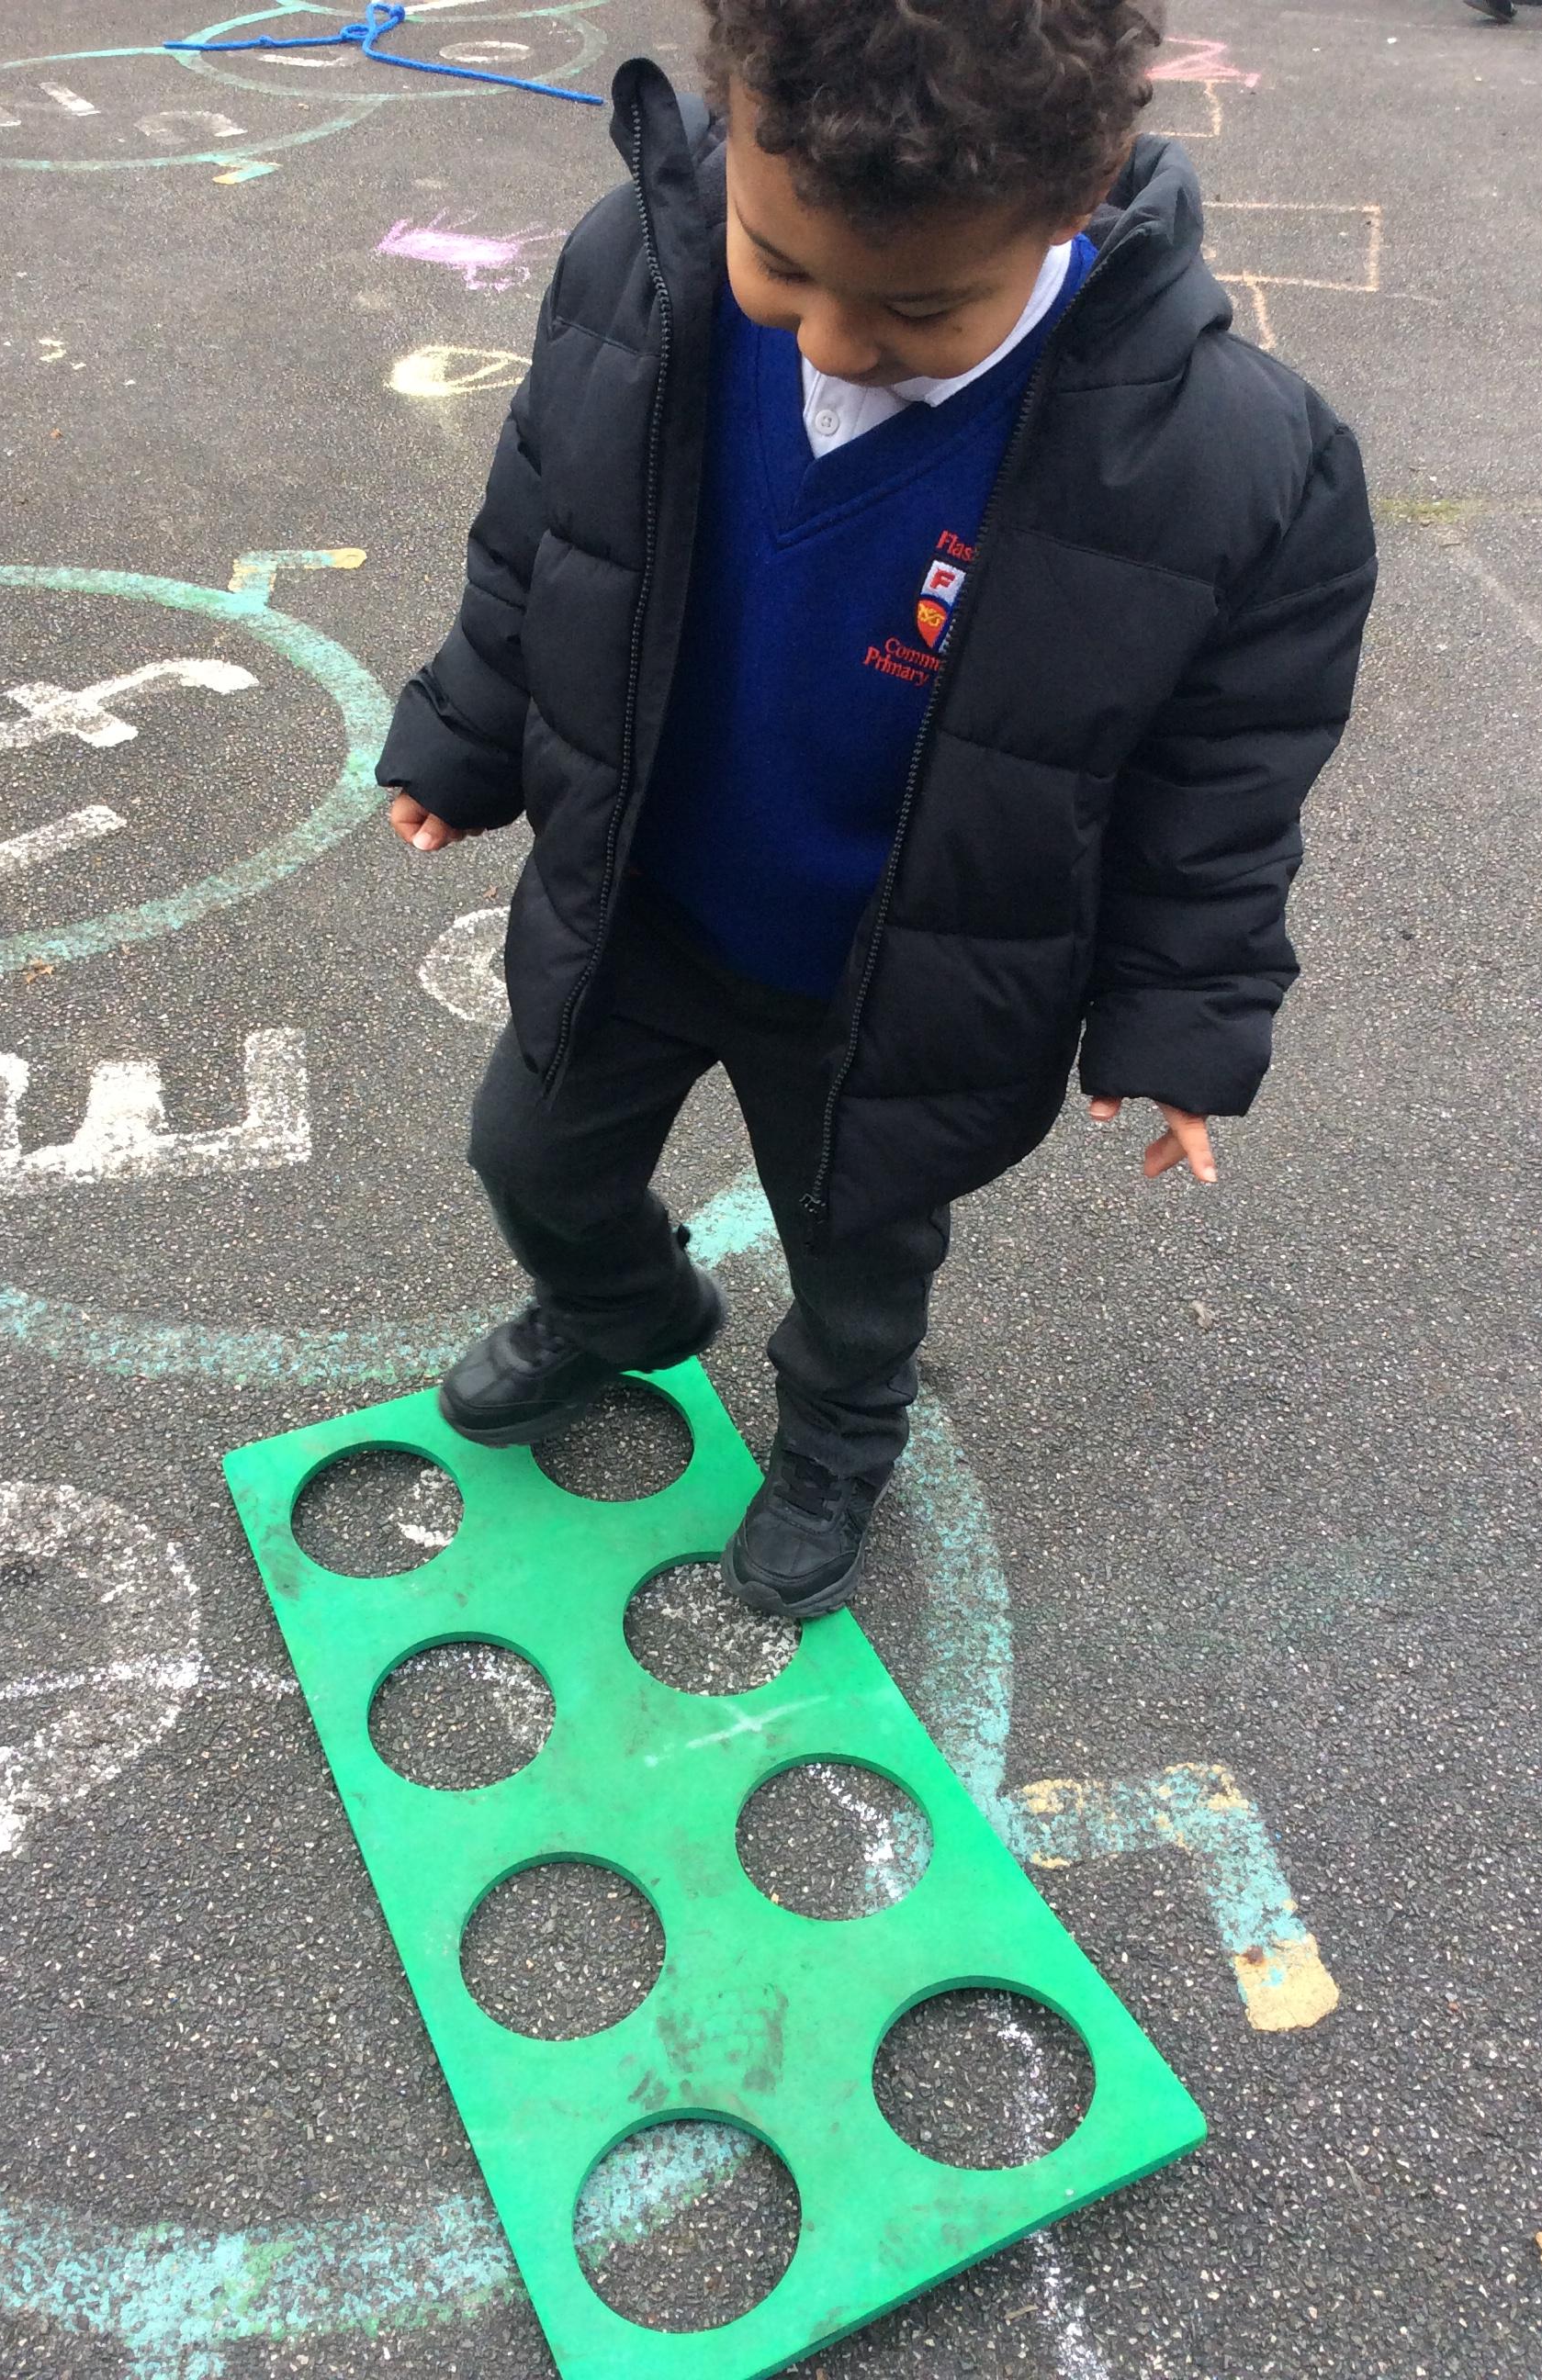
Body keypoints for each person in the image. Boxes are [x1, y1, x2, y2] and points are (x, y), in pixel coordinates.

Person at [377, 0, 1376, 1621]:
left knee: (858, 1261)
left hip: (895, 976)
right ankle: (622, 1307)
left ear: (1076, 196)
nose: (835, 340)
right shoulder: (642, 271)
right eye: (782, 264)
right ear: (732, 127)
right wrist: (466, 730)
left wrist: (1184, 1011)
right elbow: (549, 536)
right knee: (531, 1157)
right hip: (645, 897)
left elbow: (1228, 779)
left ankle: (841, 1435)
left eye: (919, 306)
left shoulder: (1229, 461)